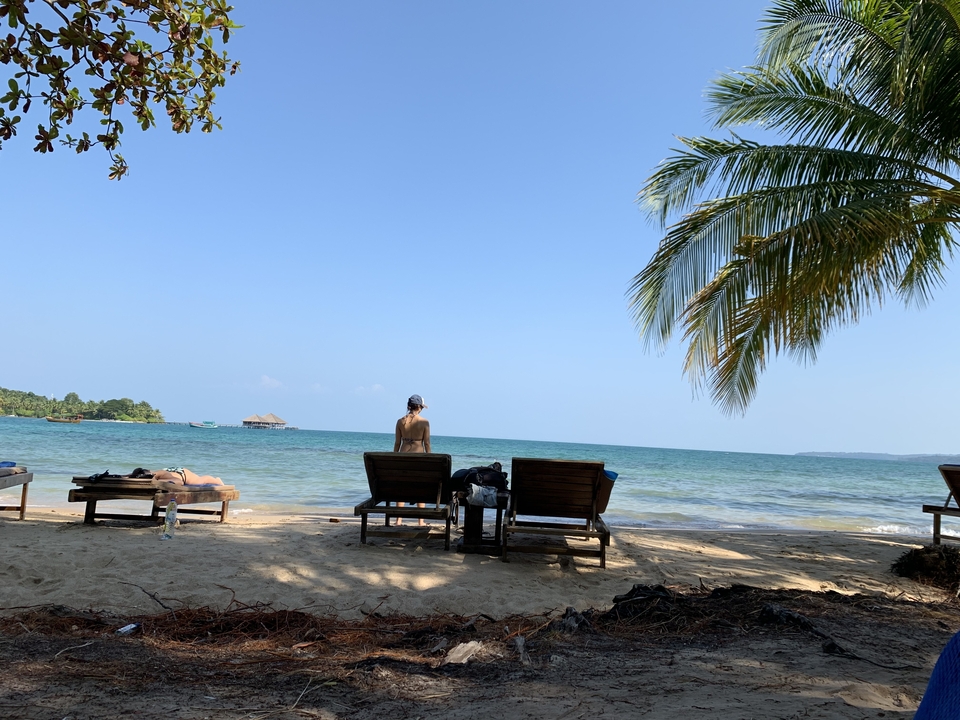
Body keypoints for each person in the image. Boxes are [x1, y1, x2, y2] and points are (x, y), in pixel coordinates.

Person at [393, 394, 430, 525]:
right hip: (418, 459)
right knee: (421, 487)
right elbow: (427, 444)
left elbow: (397, 443)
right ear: (419, 407)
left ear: (408, 406)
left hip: (403, 458)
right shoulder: (424, 422)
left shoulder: (400, 421)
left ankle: (398, 520)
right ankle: (420, 521)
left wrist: (394, 459)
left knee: (402, 487)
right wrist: (429, 459)